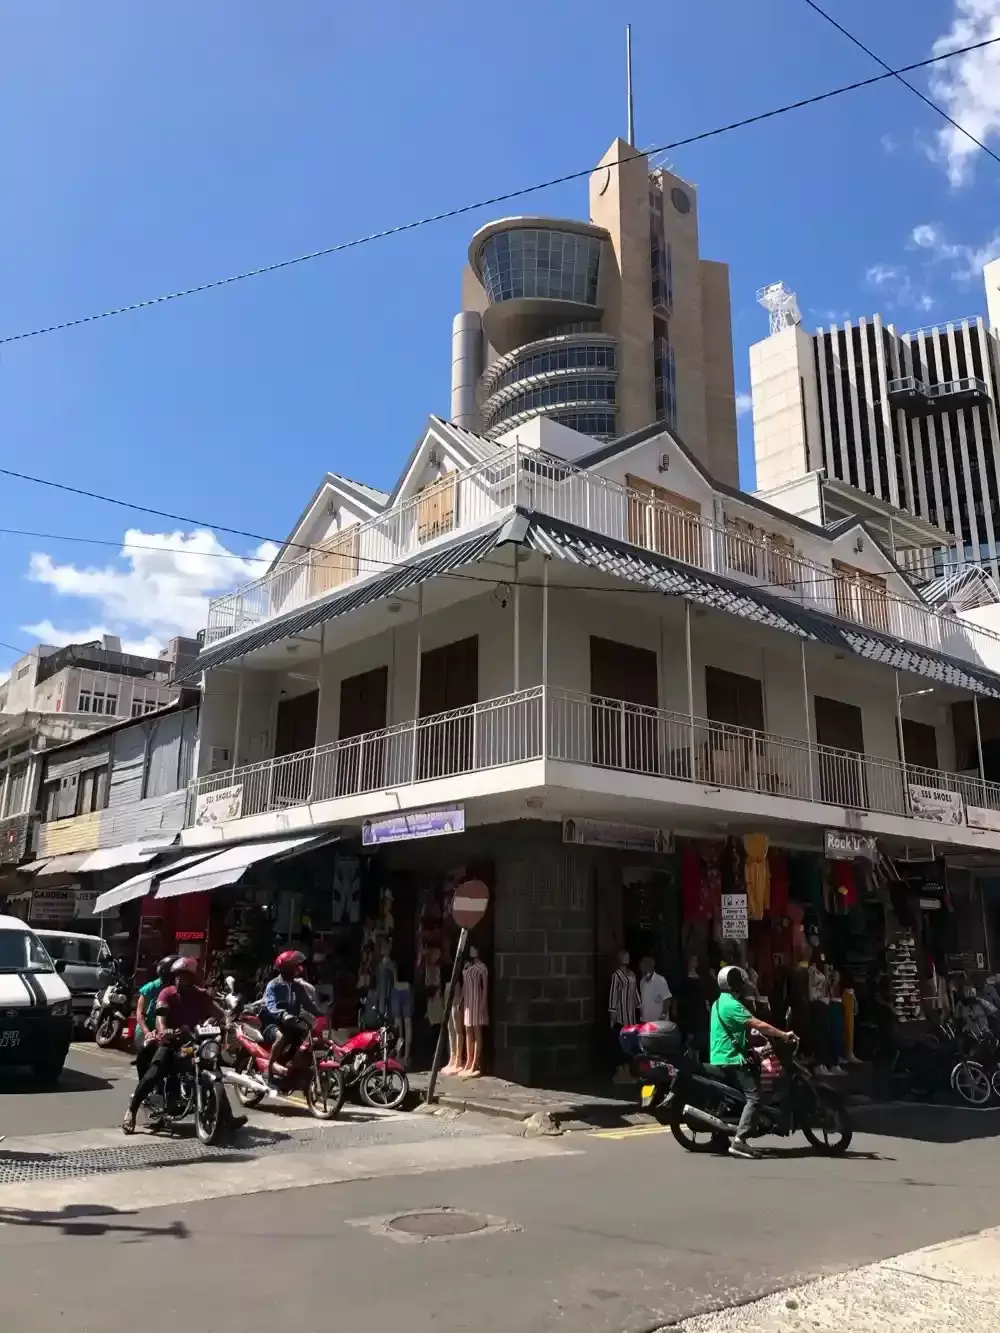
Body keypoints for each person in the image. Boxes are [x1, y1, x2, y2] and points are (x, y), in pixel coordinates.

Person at [123, 957, 245, 1136]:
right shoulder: (167, 993)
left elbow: (220, 1013)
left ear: (192, 978)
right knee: (154, 1072)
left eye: (184, 975)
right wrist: (164, 1031)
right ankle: (131, 1111)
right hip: (170, 1042)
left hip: (195, 1041)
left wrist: (227, 1023)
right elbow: (160, 1018)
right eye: (177, 975)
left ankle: (227, 1116)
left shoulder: (201, 995)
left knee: (214, 1069)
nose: (179, 979)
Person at [710, 964, 796, 1160]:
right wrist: (782, 1034)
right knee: (755, 1097)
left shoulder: (719, 1003)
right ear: (735, 984)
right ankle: (740, 1140)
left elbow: (742, 1029)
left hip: (721, 1055)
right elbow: (757, 1023)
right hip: (731, 1057)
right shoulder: (732, 1005)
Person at [261, 949, 318, 1085]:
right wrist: (283, 1014)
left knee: (308, 1040)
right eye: (294, 966)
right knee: (281, 1037)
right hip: (272, 1024)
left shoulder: (297, 986)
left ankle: (293, 1070)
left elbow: (308, 1004)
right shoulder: (273, 985)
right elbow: (271, 1006)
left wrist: (322, 1012)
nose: (298, 969)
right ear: (285, 969)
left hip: (292, 1023)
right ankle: (268, 1069)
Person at [133, 954, 178, 1086]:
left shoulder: (179, 991)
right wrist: (147, 1033)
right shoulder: (150, 988)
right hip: (145, 1029)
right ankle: (142, 1087)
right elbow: (140, 1014)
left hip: (167, 1030)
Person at [638, 955, 672, 1023]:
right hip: (646, 1021)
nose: (642, 968)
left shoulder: (660, 980)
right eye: (641, 966)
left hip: (659, 1022)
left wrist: (662, 1017)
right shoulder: (642, 981)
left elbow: (667, 1000)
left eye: (645, 966)